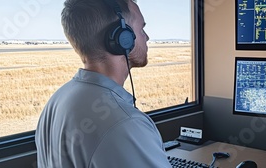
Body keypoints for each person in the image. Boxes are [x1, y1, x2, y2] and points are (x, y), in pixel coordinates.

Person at [35, 0, 171, 167]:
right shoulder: (125, 123)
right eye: (141, 28)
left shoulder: (57, 100)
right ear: (123, 37)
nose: (146, 37)